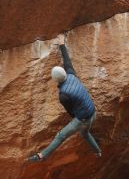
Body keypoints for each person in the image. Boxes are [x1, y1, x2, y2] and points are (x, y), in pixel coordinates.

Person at [28, 33, 102, 162]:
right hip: (92, 112)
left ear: (55, 80)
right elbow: (67, 60)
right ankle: (98, 152)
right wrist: (62, 43)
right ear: (65, 73)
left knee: (61, 136)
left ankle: (42, 156)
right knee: (85, 133)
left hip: (83, 118)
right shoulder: (71, 74)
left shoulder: (63, 95)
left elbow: (70, 112)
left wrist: (77, 120)